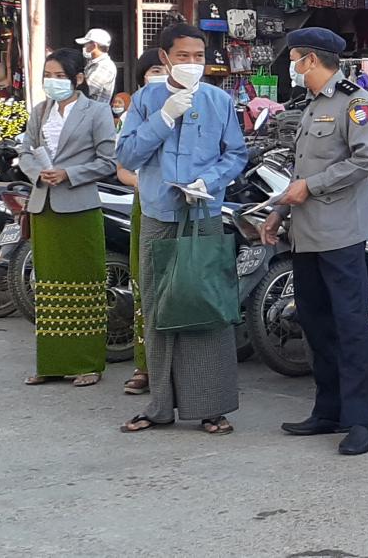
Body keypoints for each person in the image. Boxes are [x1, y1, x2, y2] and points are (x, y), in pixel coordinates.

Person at [117, 23, 248, 435]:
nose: (192, 63)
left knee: (205, 305)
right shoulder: (145, 99)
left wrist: (209, 181)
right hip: (159, 215)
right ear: (165, 58)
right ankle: (159, 406)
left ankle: (212, 407)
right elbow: (127, 155)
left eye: (199, 56)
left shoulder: (219, 101)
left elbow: (236, 154)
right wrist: (163, 118)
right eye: (183, 56)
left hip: (202, 214)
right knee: (158, 308)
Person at [261, 28, 368, 456]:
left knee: (350, 329)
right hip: (306, 235)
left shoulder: (354, 101)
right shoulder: (312, 104)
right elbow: (301, 172)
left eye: (294, 58)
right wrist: (279, 211)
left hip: (341, 234)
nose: (291, 67)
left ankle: (361, 423)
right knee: (316, 325)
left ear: (311, 60)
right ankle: (328, 410)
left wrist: (311, 187)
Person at [16, 48, 117, 387]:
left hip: (80, 207)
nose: (53, 81)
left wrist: (69, 174)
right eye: (48, 75)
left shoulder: (97, 111)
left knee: (84, 285)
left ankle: (87, 364)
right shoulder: (40, 111)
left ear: (78, 78)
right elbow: (25, 151)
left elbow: (108, 161)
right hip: (43, 206)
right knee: (47, 287)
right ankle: (51, 363)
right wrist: (38, 173)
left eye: (60, 76)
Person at [121, 53, 168, 397]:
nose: (161, 74)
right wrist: (144, 183)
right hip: (147, 204)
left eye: (165, 69)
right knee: (145, 282)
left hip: (185, 204)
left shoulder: (194, 105)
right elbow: (122, 167)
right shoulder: (136, 112)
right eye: (154, 70)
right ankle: (145, 365)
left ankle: (180, 370)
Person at [77, 29, 117, 105]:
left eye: (86, 43)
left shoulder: (105, 66)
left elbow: (86, 90)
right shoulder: (93, 63)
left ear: (94, 45)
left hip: (93, 111)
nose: (84, 46)